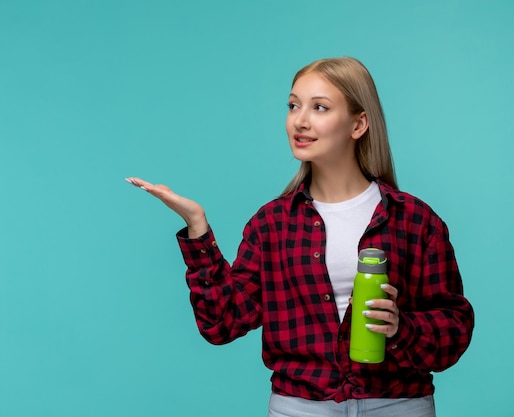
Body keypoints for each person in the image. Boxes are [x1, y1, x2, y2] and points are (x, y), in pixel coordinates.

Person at [125, 57, 474, 417]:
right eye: (293, 106)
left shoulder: (414, 220)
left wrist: (402, 327)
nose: (300, 121)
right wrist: (197, 226)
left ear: (358, 124)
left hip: (399, 405)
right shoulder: (272, 224)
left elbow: (454, 329)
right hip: (301, 408)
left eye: (319, 107)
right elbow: (221, 322)